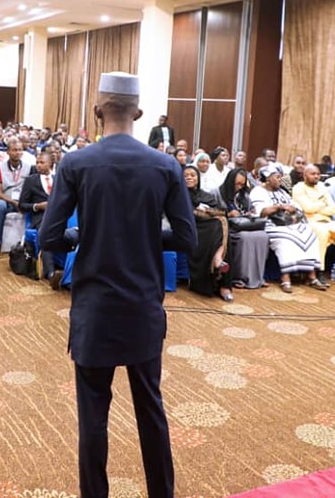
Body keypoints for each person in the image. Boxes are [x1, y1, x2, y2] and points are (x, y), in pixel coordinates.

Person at [39, 71, 196, 498]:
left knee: (93, 418)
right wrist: (145, 235)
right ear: (139, 113)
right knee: (152, 410)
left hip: (94, 310)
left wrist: (84, 236)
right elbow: (186, 239)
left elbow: (49, 237)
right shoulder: (165, 165)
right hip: (143, 308)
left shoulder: (75, 163)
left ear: (96, 111)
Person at [250, 164, 324, 293]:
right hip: (270, 225)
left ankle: (311, 276)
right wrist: (281, 207)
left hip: (289, 224)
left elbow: (296, 206)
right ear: (268, 178)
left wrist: (294, 211)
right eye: (277, 177)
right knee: (286, 240)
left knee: (310, 235)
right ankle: (285, 277)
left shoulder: (282, 191)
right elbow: (261, 212)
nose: (280, 180)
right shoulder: (258, 191)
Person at [292, 164, 335, 286]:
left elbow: (333, 209)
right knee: (323, 233)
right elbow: (307, 208)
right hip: (309, 221)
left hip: (326, 221)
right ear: (304, 175)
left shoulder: (322, 187)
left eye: (318, 174)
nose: (316, 177)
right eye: (313, 174)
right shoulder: (298, 188)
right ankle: (320, 271)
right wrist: (322, 204)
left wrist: (316, 206)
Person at [182, 164, 234, 301]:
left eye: (192, 175)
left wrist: (208, 211)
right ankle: (224, 285)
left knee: (221, 224)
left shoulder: (205, 195)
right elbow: (184, 214)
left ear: (198, 178)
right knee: (221, 224)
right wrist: (202, 212)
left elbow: (222, 211)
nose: (189, 178)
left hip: (211, 226)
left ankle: (218, 262)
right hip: (192, 226)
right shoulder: (178, 195)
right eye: (185, 175)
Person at [216, 168, 269, 290]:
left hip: (245, 225)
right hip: (228, 227)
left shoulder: (243, 195)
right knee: (245, 238)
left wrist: (251, 212)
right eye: (237, 184)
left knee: (263, 236)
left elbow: (250, 208)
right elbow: (212, 212)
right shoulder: (218, 192)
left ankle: (257, 277)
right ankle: (240, 277)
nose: (239, 187)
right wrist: (228, 214)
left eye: (242, 184)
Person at [18, 150, 64, 289]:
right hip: (40, 217)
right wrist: (37, 206)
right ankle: (51, 274)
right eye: (37, 162)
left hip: (61, 215)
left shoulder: (59, 179)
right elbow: (22, 205)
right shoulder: (31, 180)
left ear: (50, 164)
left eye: (42, 162)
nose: (38, 165)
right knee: (47, 232)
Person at [0, 137, 33, 258]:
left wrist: (23, 203)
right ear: (7, 152)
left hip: (22, 201)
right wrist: (15, 203)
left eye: (20, 150)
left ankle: (30, 245)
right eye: (14, 150)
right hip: (6, 200)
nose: (18, 153)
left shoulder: (29, 167)